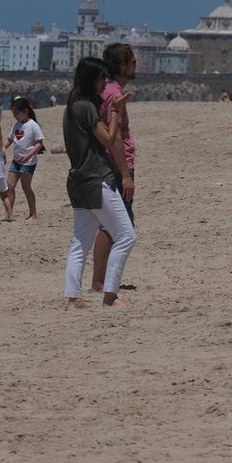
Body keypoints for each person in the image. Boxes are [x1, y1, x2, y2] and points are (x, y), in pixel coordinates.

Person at [63, 57, 136, 309]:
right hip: (96, 179)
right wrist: (115, 111)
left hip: (78, 180)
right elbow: (109, 139)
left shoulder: (72, 105)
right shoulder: (86, 107)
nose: (105, 82)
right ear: (92, 80)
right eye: (102, 78)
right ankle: (110, 295)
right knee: (126, 236)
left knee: (80, 241)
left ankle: (74, 298)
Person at [91, 43, 138, 294]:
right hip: (117, 165)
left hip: (116, 164)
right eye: (132, 62)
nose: (135, 66)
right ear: (122, 65)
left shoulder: (112, 90)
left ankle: (102, 281)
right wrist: (126, 174)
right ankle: (101, 282)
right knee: (117, 226)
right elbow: (114, 137)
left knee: (113, 224)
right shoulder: (112, 94)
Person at [3, 96, 45, 220]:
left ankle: (33, 214)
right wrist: (2, 149)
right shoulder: (16, 125)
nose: (15, 116)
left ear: (25, 111)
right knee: (9, 186)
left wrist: (28, 155)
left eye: (17, 113)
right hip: (16, 161)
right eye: (13, 113)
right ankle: (9, 213)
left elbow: (39, 143)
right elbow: (10, 140)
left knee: (26, 187)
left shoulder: (33, 125)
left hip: (29, 161)